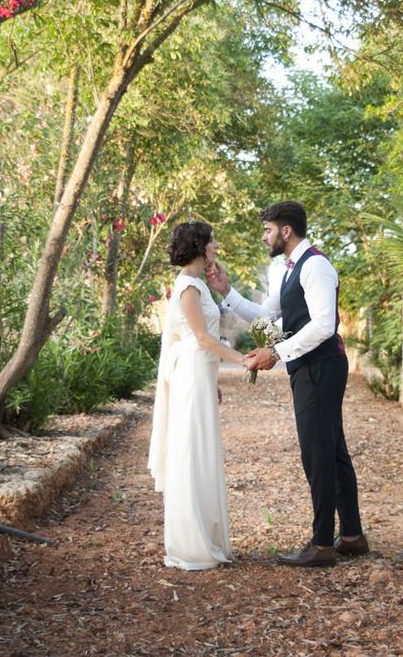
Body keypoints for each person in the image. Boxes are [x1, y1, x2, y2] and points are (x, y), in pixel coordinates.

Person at [207, 201, 368, 567]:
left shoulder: (316, 267)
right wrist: (226, 291)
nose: (265, 237)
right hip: (311, 367)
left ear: (286, 230)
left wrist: (276, 352)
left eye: (268, 230)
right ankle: (352, 536)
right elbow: (267, 315)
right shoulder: (290, 269)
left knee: (318, 454)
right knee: (333, 450)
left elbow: (324, 324)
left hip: (322, 367)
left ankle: (322, 544)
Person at [148, 221, 250, 570]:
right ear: (200, 247)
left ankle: (207, 535)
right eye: (212, 242)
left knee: (202, 450)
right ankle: (191, 544)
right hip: (190, 377)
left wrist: (215, 379)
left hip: (201, 376)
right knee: (191, 453)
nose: (216, 247)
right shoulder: (188, 287)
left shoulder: (200, 285)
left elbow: (198, 342)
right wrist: (242, 359)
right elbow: (202, 338)